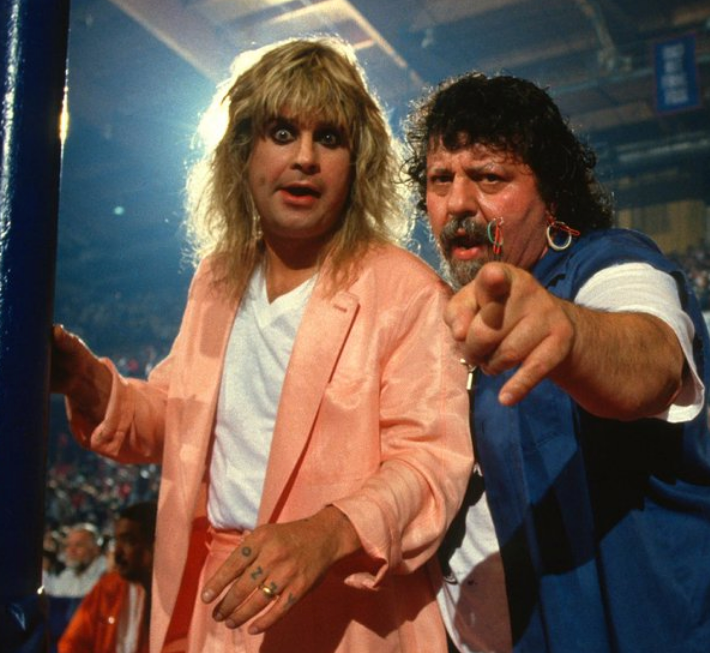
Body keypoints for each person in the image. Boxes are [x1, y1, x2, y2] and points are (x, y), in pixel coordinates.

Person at [51, 37, 472, 653]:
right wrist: (86, 378)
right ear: (243, 153)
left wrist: (327, 533)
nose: (304, 158)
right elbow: (175, 415)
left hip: (349, 610)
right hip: (219, 602)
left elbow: (430, 464)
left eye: (329, 139)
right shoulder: (217, 281)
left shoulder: (405, 290)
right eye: (281, 133)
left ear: (359, 165)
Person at [404, 72, 710, 652]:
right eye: (439, 179)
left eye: (490, 178)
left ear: (552, 193)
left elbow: (652, 359)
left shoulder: (608, 263)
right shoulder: (450, 319)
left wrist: (569, 333)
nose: (458, 203)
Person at [59, 501, 158, 653]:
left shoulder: (176, 596)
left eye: (129, 541)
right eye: (117, 541)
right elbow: (72, 643)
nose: (117, 553)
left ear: (155, 544)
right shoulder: (107, 588)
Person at [45, 523, 108, 599]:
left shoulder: (106, 575)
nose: (71, 551)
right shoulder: (65, 576)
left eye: (78, 545)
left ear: (95, 549)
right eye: (68, 545)